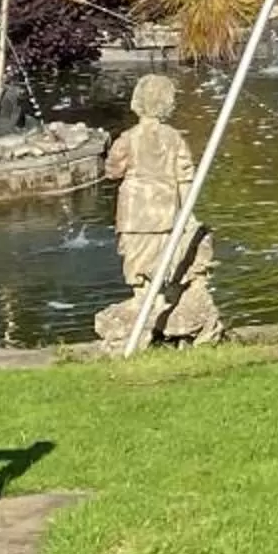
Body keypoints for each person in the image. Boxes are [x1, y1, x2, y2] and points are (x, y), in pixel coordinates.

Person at [93, 73, 223, 348]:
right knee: (163, 252)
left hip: (134, 210)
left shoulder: (128, 138)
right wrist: (187, 211)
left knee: (135, 253)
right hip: (164, 208)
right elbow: (185, 176)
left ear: (137, 102)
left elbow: (113, 171)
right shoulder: (174, 138)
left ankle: (142, 297)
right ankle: (163, 294)